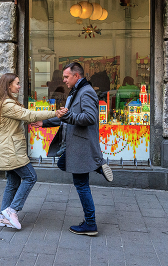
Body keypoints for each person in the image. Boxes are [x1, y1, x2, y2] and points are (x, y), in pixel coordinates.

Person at [32, 62, 113, 236]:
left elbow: (90, 118)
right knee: (63, 164)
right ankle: (97, 165)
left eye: (67, 77)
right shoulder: (76, 92)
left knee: (81, 185)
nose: (64, 80)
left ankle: (90, 224)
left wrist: (68, 115)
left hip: (81, 146)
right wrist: (44, 123)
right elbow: (64, 118)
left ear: (77, 76)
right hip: (74, 146)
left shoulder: (87, 92)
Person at [0, 73, 67, 230]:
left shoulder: (2, 102)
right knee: (30, 177)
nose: (19, 86)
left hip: (8, 148)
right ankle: (12, 210)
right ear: (8, 85)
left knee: (13, 182)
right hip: (11, 150)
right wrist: (55, 113)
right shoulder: (7, 104)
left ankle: (3, 217)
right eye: (17, 83)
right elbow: (28, 115)